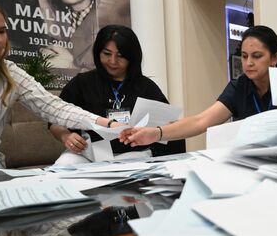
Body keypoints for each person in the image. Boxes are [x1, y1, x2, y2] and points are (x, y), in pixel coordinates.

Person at [120, 25, 277, 147]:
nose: (248, 63)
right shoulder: (239, 86)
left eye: (257, 56)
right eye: (244, 56)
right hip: (254, 160)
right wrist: (156, 133)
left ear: (274, 58)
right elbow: (201, 121)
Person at [0, 4, 115, 168]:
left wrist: (108, 124)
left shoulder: (10, 73)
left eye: (2, 31)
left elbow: (53, 107)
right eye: (107, 54)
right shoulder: (83, 82)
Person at [49, 25, 180, 165]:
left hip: (135, 154)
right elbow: (55, 121)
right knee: (64, 165)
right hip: (89, 153)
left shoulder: (146, 87)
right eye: (106, 54)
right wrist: (66, 136)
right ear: (98, 53)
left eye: (120, 56)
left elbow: (168, 126)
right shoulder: (82, 83)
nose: (112, 61)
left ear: (132, 57)